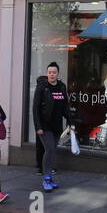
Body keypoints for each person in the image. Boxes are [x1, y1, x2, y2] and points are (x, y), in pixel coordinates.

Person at [32, 62, 73, 192]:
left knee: (53, 151)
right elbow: (35, 108)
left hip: (57, 126)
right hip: (44, 126)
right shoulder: (42, 87)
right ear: (47, 73)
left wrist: (70, 122)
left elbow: (65, 107)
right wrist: (38, 126)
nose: (51, 74)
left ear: (57, 73)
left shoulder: (61, 86)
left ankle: (49, 177)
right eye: (49, 72)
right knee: (49, 149)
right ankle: (46, 178)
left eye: (54, 72)